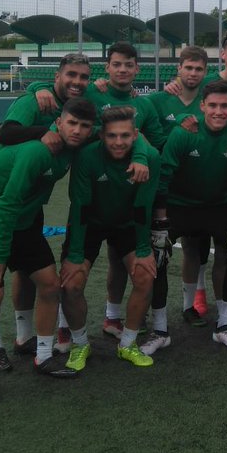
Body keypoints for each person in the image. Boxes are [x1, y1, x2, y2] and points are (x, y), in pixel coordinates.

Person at [0, 97, 97, 405]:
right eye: (72, 123)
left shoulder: (73, 148)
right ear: (58, 122)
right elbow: (6, 203)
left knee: (50, 285)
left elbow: (113, 127)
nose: (77, 131)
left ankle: (43, 356)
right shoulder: (39, 150)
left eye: (84, 126)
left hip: (24, 222)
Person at [0, 53, 92, 360]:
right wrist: (41, 127)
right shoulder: (37, 101)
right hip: (0, 204)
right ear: (57, 76)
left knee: (27, 274)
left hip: (31, 207)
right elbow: (6, 133)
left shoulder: (70, 110)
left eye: (84, 77)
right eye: (71, 74)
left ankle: (23, 338)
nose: (77, 82)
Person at [155, 80, 227, 351]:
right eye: (212, 105)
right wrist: (160, 219)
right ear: (202, 106)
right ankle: (159, 330)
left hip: (217, 205)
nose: (218, 111)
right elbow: (164, 174)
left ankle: (223, 325)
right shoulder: (184, 132)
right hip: (179, 205)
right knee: (155, 257)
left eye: (225, 106)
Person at [59, 107, 161, 369]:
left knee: (145, 275)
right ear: (102, 136)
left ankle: (127, 344)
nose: (118, 142)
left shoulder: (149, 157)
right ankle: (80, 344)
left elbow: (143, 206)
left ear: (135, 135)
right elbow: (79, 205)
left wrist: (143, 249)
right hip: (90, 222)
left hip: (126, 223)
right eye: (112, 135)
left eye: (125, 136)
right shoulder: (87, 156)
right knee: (71, 283)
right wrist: (74, 255)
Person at [143, 45, 209, 353]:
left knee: (195, 249)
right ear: (178, 69)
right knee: (158, 254)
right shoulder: (158, 100)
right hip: (165, 192)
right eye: (188, 68)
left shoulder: (210, 101)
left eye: (199, 69)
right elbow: (134, 124)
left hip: (199, 191)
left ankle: (187, 305)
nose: (193, 73)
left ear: (205, 72)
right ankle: (155, 319)